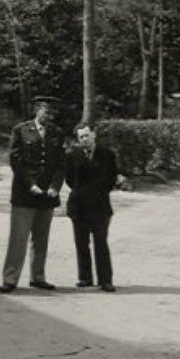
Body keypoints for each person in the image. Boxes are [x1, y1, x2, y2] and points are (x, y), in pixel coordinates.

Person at [1, 96, 66, 293]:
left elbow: (61, 164)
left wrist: (55, 186)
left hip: (47, 194)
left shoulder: (57, 133)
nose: (49, 116)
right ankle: (10, 278)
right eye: (46, 111)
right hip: (24, 194)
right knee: (18, 238)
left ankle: (38, 277)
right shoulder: (20, 130)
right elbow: (16, 161)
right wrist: (30, 185)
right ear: (37, 109)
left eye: (52, 113)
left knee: (41, 239)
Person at [65, 123, 120, 291]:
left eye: (86, 135)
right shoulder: (71, 155)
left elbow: (111, 178)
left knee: (100, 242)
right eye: (80, 137)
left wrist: (96, 192)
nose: (84, 139)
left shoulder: (107, 155)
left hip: (100, 205)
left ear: (94, 135)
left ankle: (105, 280)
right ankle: (85, 278)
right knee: (81, 243)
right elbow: (69, 179)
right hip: (78, 205)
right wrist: (81, 193)